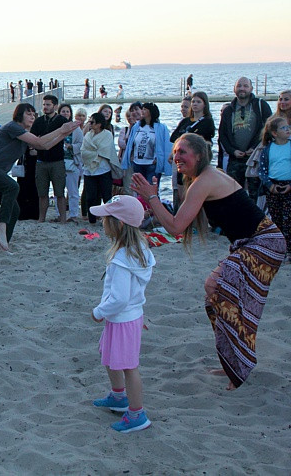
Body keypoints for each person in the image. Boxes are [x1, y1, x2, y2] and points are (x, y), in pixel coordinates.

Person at [132, 133, 286, 390]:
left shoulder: (205, 181)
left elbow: (176, 226)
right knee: (216, 295)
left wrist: (151, 197)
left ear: (199, 155)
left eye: (183, 152)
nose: (176, 157)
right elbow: (180, 221)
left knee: (216, 287)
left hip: (264, 243)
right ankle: (234, 363)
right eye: (175, 152)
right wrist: (152, 205)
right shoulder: (204, 179)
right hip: (256, 242)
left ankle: (238, 365)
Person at [89, 195, 155, 433]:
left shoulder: (121, 259)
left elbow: (120, 297)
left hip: (122, 317)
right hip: (129, 317)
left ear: (117, 224)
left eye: (106, 218)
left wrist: (99, 312)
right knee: (109, 355)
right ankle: (118, 397)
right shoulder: (141, 252)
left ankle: (137, 414)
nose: (103, 222)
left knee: (128, 366)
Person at [0, 103, 78, 251]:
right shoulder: (13, 127)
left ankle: (1, 246)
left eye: (34, 114)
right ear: (19, 115)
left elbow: (44, 146)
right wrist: (61, 129)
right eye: (29, 113)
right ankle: (1, 228)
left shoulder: (23, 133)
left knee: (15, 210)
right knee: (13, 187)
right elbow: (40, 141)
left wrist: (64, 134)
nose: (33, 116)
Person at [218, 77, 273, 200]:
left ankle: (255, 219)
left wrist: (255, 147)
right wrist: (232, 151)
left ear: (251, 88)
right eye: (239, 86)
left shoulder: (260, 105)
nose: (242, 88)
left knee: (256, 195)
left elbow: (269, 128)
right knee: (233, 195)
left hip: (255, 158)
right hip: (235, 159)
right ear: (234, 89)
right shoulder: (228, 110)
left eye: (245, 86)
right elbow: (222, 135)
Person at [31, 95, 72, 223]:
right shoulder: (38, 121)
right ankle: (41, 218)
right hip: (41, 161)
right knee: (42, 193)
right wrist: (37, 147)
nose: (45, 107)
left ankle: (63, 219)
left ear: (54, 106)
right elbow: (33, 139)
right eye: (44, 104)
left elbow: (66, 135)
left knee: (59, 192)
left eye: (48, 105)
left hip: (57, 161)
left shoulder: (61, 120)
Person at [257, 115, 291, 260]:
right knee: (276, 218)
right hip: (273, 185)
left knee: (288, 218)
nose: (287, 130)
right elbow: (262, 170)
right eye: (283, 128)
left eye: (288, 127)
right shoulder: (267, 149)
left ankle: (289, 249)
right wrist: (270, 185)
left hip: (288, 184)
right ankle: (279, 248)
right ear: (274, 133)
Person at [120, 102, 171, 190]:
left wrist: (160, 159)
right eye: (142, 109)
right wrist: (129, 157)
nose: (142, 111)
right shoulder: (137, 126)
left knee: (151, 190)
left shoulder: (160, 127)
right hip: (137, 163)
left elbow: (166, 145)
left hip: (152, 164)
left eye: (145, 109)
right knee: (139, 189)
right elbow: (131, 143)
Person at [82, 113, 120, 224]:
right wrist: (94, 153)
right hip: (89, 170)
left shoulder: (107, 134)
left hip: (103, 170)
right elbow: (83, 152)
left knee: (106, 196)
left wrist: (92, 152)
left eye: (92, 122)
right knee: (90, 197)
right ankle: (92, 219)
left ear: (99, 124)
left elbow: (104, 150)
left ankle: (110, 220)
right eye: (89, 122)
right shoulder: (88, 135)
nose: (90, 124)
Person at [60, 104, 83, 223]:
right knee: (59, 191)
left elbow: (81, 145)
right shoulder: (56, 127)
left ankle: (73, 214)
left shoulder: (76, 129)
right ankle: (60, 214)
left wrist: (70, 147)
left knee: (73, 190)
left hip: (72, 162)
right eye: (63, 111)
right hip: (58, 163)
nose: (65, 113)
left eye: (67, 111)